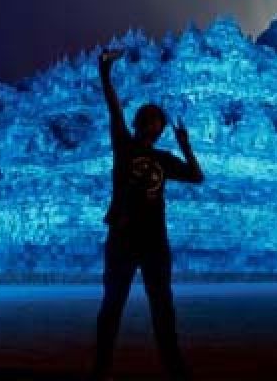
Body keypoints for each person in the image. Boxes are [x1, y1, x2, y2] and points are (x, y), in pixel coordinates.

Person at [89, 47, 204, 381]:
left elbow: (197, 177)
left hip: (155, 241)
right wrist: (106, 73)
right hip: (123, 237)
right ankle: (101, 367)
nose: (158, 124)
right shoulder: (124, 145)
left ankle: (173, 366)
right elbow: (112, 107)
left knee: (163, 307)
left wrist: (186, 147)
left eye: (161, 122)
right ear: (141, 122)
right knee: (113, 305)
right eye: (153, 119)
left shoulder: (165, 159)